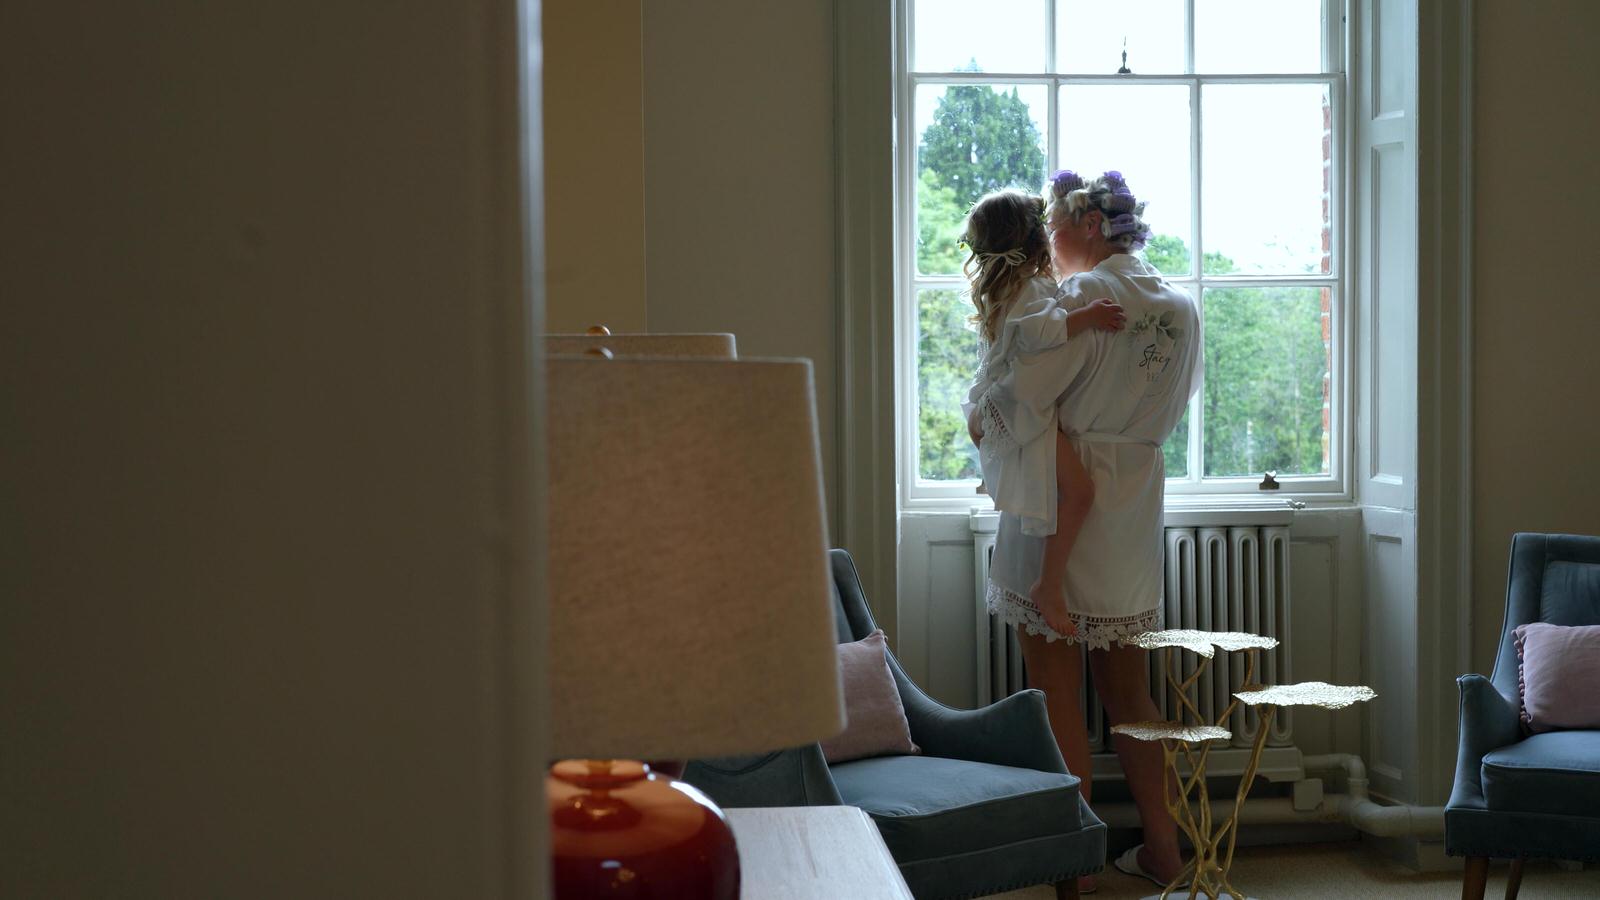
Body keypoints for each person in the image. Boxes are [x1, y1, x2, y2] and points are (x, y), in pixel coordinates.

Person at [968, 169, 1202, 889]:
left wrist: (983, 414)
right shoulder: (1182, 305)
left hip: (1059, 497)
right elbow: (1180, 397)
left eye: (1058, 224)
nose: (1050, 236)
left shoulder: (1081, 297)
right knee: (1131, 694)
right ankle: (1164, 849)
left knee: (1057, 693)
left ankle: (1076, 867)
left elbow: (1028, 393)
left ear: (1091, 229)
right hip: (1132, 504)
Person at [958, 188, 1127, 636]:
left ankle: (1047, 584)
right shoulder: (1031, 289)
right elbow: (1038, 335)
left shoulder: (1008, 289)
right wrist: (1087, 316)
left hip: (996, 405)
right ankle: (1048, 586)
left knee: (1068, 495)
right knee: (1081, 494)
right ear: (1033, 239)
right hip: (1010, 410)